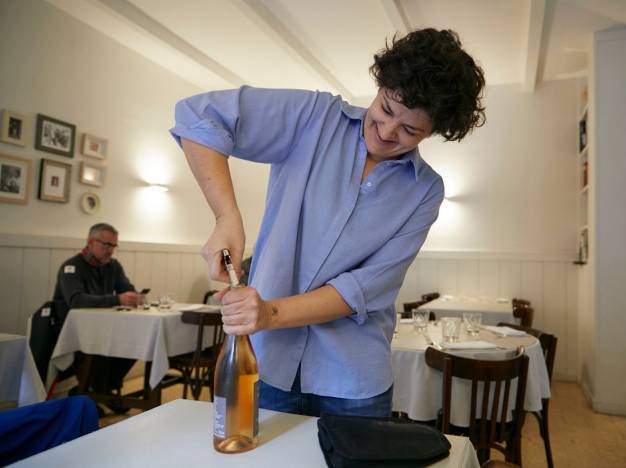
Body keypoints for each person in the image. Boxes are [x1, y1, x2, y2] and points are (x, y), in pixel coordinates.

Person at [170, 28, 486, 417]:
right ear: (380, 85)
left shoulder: (424, 191)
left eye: (410, 130)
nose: (387, 133)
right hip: (267, 364)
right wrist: (225, 216)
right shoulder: (313, 118)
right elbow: (199, 116)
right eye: (386, 110)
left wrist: (268, 313)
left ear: (434, 131)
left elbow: (363, 288)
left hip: (353, 380)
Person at [52, 223, 139, 408]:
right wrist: (117, 299)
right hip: (74, 331)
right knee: (101, 349)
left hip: (104, 327)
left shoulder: (113, 266)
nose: (110, 251)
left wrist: (133, 296)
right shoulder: (71, 267)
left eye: (113, 246)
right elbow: (76, 300)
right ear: (91, 242)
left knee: (135, 343)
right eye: (106, 245)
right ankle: (94, 395)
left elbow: (126, 289)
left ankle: (100, 393)